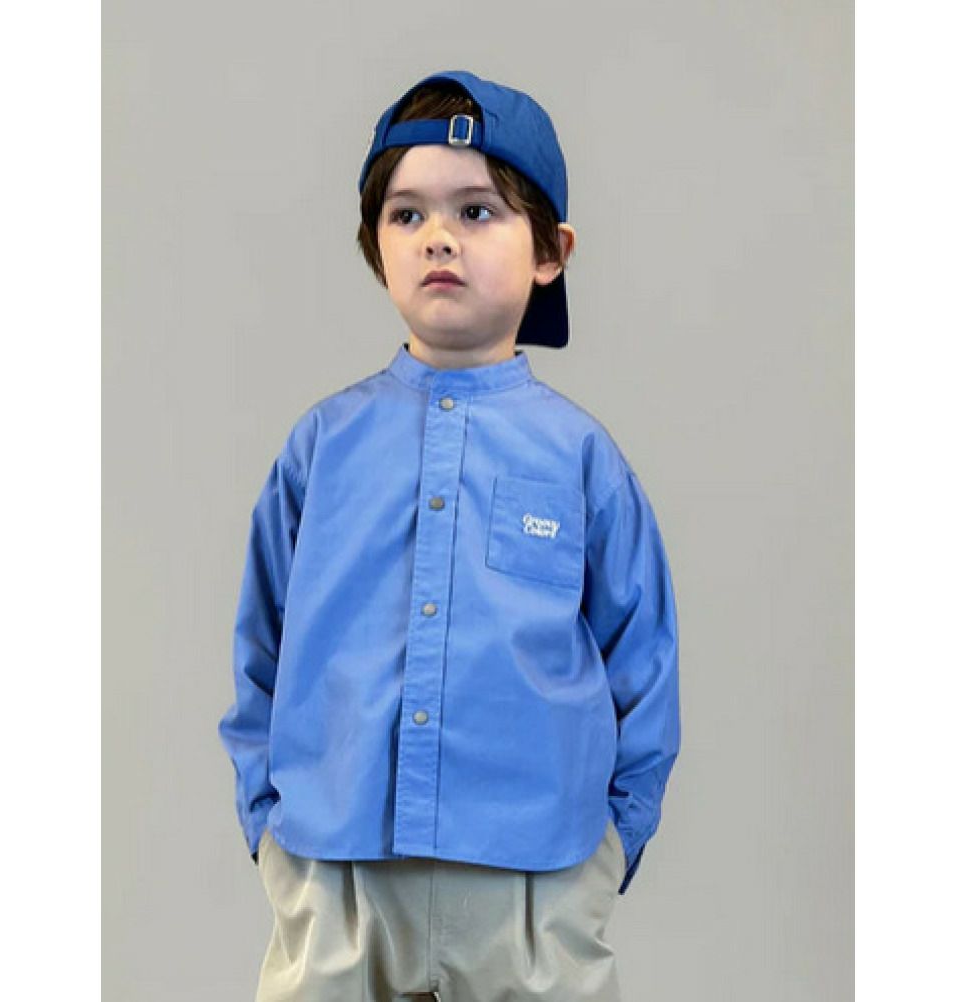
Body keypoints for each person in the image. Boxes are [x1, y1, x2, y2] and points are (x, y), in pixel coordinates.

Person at [218, 68, 681, 1002]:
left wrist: (609, 846)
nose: (438, 236)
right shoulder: (322, 447)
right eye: (407, 215)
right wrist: (268, 824)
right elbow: (261, 643)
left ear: (550, 251)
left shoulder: (583, 460)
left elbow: (644, 664)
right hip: (335, 868)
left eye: (476, 211)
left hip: (535, 881)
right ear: (376, 247)